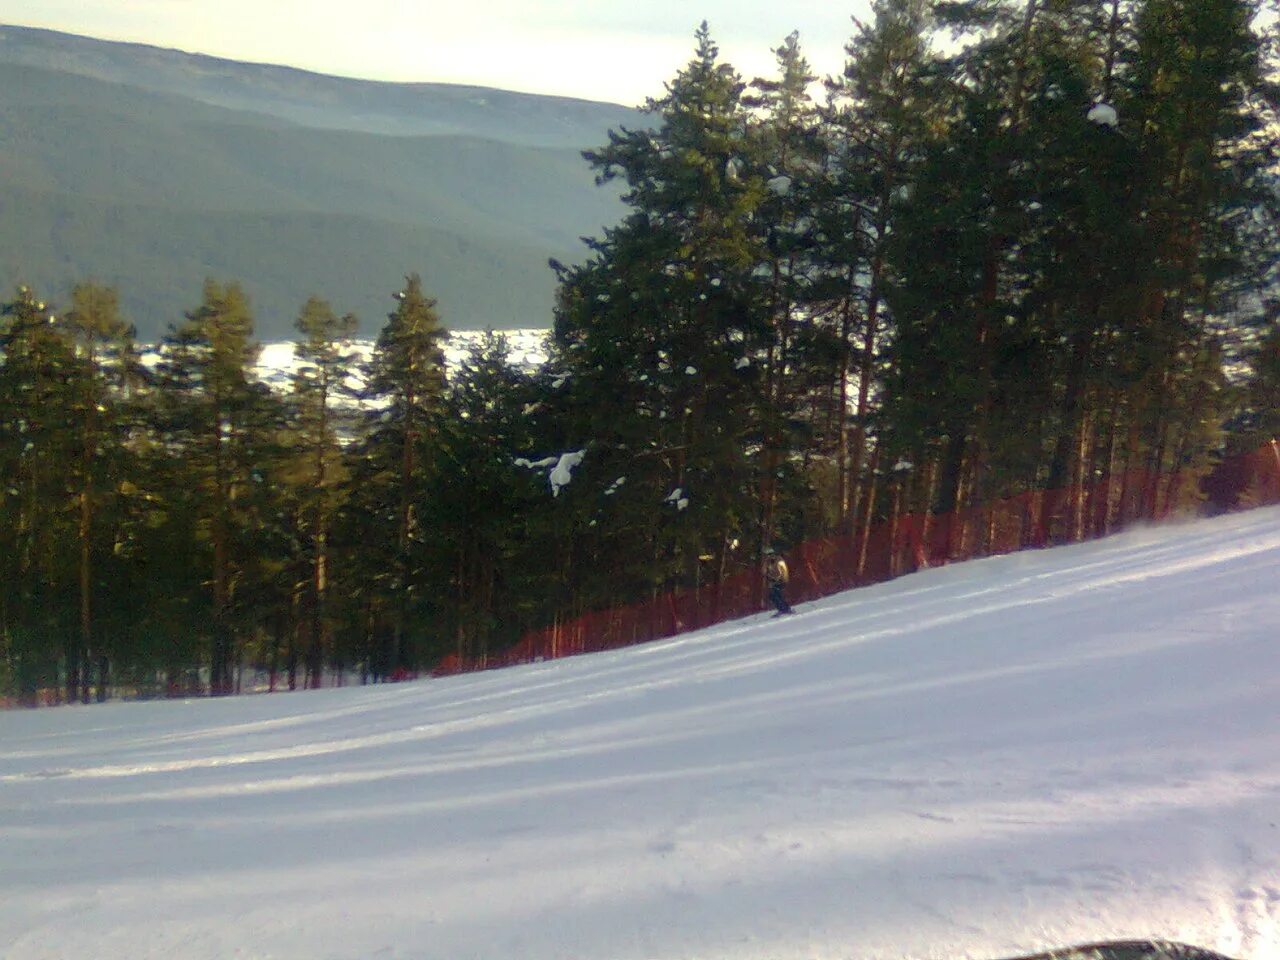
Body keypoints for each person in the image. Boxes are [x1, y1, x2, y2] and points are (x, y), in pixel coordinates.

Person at [764, 547, 793, 616]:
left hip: (781, 580)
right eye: (767, 555)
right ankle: (784, 608)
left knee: (776, 594)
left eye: (770, 554)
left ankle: (784, 609)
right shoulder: (769, 562)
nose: (769, 556)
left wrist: (781, 579)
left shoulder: (779, 560)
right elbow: (767, 572)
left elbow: (784, 571)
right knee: (773, 596)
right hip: (774, 581)